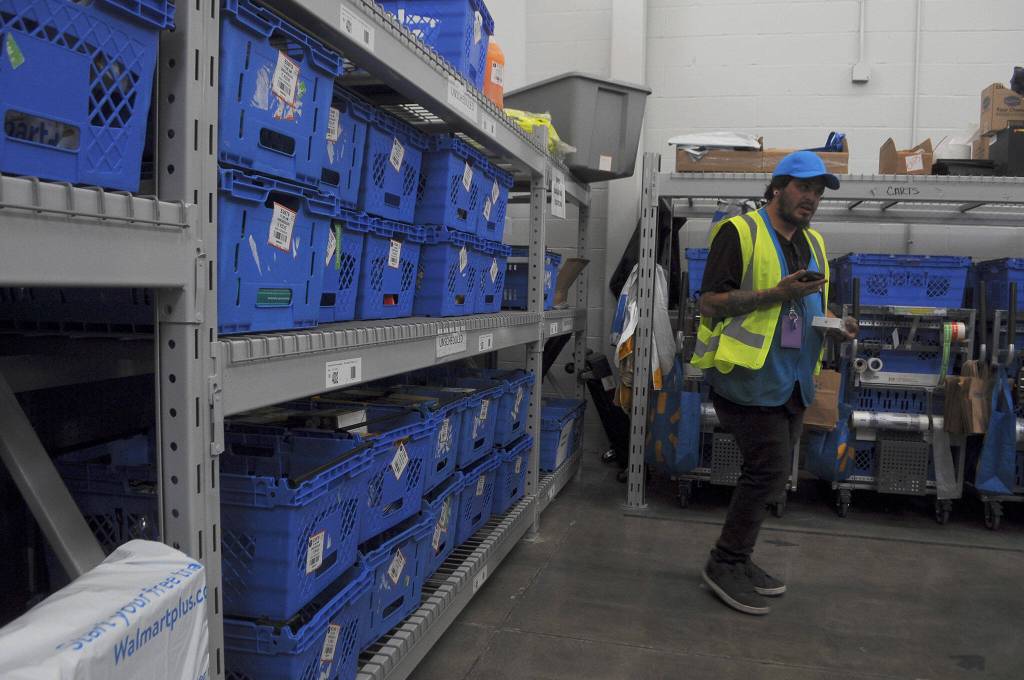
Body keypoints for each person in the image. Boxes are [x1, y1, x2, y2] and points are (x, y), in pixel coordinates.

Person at [691, 150, 857, 615]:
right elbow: (708, 303)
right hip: (747, 377)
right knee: (765, 471)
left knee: (772, 476)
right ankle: (724, 562)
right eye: (804, 188)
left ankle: (738, 559)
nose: (812, 199)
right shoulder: (739, 232)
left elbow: (809, 309)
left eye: (819, 192)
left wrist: (835, 325)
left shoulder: (815, 243)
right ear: (779, 187)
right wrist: (772, 295)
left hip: (795, 381)